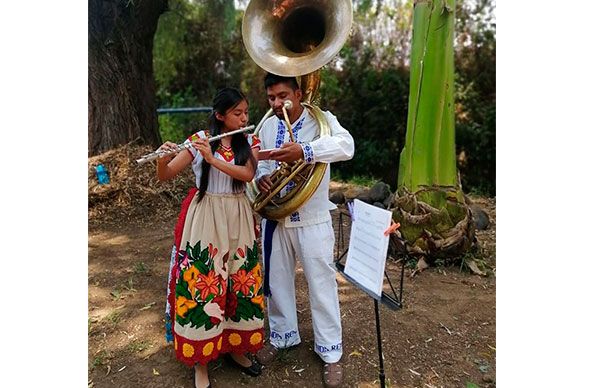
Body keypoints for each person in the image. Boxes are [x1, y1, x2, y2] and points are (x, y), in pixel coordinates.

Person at [159, 88, 264, 388]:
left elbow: (247, 175)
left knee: (240, 281)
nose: (245, 118)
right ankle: (200, 362)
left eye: (246, 112)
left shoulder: (250, 140)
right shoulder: (198, 139)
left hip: (238, 214)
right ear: (220, 115)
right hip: (206, 215)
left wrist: (212, 159)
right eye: (238, 113)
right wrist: (161, 159)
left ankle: (236, 349)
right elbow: (165, 175)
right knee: (204, 283)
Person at [254, 73, 355, 388]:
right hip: (277, 218)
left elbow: (347, 146)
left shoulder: (321, 119)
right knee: (276, 279)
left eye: (282, 95)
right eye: (271, 98)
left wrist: (306, 152)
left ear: (298, 93)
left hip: (312, 217)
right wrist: (262, 177)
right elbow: (261, 162)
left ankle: (330, 352)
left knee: (321, 283)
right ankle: (283, 335)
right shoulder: (268, 125)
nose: (276, 103)